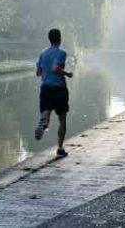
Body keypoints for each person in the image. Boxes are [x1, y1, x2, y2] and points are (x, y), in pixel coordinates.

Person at [34, 28, 73, 158]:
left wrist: (46, 72)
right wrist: (67, 73)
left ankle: (43, 124)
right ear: (60, 39)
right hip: (59, 89)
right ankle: (60, 148)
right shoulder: (61, 53)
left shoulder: (42, 53)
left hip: (45, 88)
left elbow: (38, 72)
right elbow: (55, 68)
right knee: (62, 120)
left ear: (49, 39)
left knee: (46, 114)